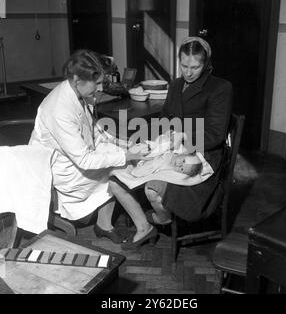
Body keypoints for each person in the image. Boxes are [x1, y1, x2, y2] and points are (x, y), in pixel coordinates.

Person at [109, 36, 233, 248]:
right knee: (123, 171)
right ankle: (150, 223)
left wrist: (184, 138)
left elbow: (215, 134)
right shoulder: (176, 85)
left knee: (152, 189)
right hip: (173, 146)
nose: (188, 72)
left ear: (206, 64)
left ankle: (162, 220)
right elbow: (166, 117)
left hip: (203, 153)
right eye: (184, 65)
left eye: (195, 67)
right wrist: (152, 140)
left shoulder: (220, 88)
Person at [29, 49, 150, 244]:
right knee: (118, 167)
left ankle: (104, 224)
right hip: (60, 168)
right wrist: (126, 155)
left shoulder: (79, 94)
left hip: (75, 156)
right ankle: (122, 225)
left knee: (117, 157)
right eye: (98, 83)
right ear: (78, 80)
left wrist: (123, 144)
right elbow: (84, 159)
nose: (101, 88)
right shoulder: (58, 109)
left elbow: (94, 132)